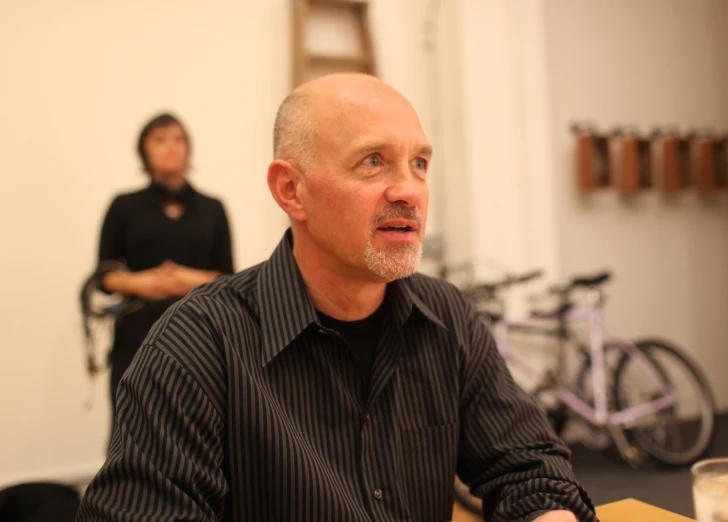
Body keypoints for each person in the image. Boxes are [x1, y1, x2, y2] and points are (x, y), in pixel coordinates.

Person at [77, 75, 597, 522]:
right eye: (374, 161)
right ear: (290, 191)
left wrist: (547, 512)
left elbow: (528, 466)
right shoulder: (198, 346)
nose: (410, 191)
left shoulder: (448, 319)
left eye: (419, 163)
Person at [95, 113, 234, 441]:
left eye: (177, 138)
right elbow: (102, 275)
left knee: (200, 430)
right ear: (144, 152)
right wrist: (143, 283)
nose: (170, 147)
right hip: (137, 333)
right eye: (159, 140)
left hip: (200, 332)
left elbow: (228, 275)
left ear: (189, 148)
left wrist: (186, 279)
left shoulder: (212, 208)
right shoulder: (124, 206)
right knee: (132, 428)